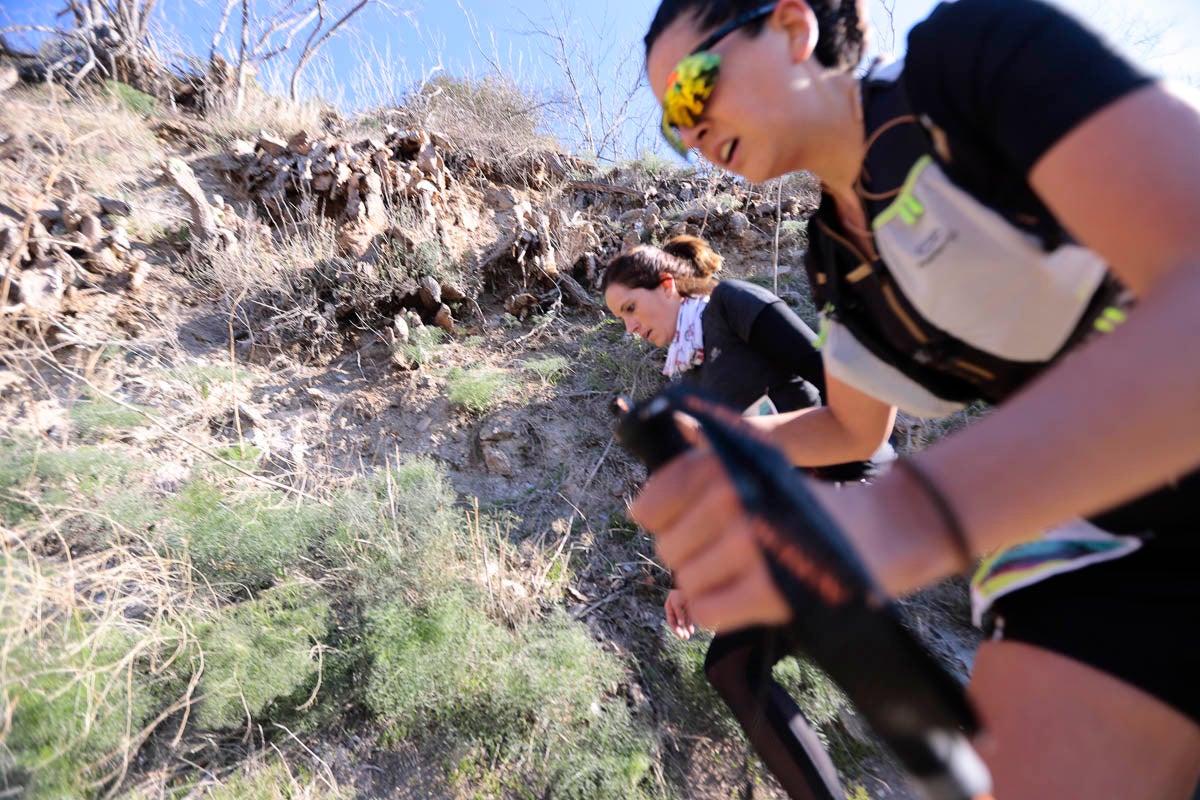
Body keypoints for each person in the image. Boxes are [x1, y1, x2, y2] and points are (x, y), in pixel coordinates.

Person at [628, 1, 1200, 798]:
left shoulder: (965, 59)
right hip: (1093, 513)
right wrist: (727, 452)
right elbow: (854, 428)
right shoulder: (836, 258)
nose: (689, 132)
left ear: (793, 28)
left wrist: (914, 515)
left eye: (692, 93)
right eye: (669, 126)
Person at [603, 234, 894, 800]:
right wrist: (683, 582)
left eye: (630, 308)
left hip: (846, 487)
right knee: (732, 666)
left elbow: (836, 379)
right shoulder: (685, 379)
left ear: (667, 286)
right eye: (620, 318)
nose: (629, 326)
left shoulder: (733, 305)